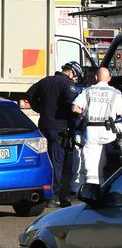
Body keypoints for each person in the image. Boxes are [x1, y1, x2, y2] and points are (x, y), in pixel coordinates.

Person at [26, 61, 81, 207]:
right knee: (57, 161)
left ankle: (43, 192)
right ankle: (54, 195)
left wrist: (39, 109)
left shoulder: (45, 80)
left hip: (43, 125)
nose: (75, 81)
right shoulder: (67, 84)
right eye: (76, 78)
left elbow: (29, 94)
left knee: (45, 160)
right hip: (59, 128)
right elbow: (73, 104)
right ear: (72, 72)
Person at [71, 67, 122, 187]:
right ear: (109, 78)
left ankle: (92, 188)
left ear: (96, 77)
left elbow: (74, 108)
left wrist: (85, 113)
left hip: (91, 131)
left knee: (91, 163)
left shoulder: (88, 91)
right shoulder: (116, 93)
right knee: (103, 157)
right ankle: (105, 183)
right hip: (109, 130)